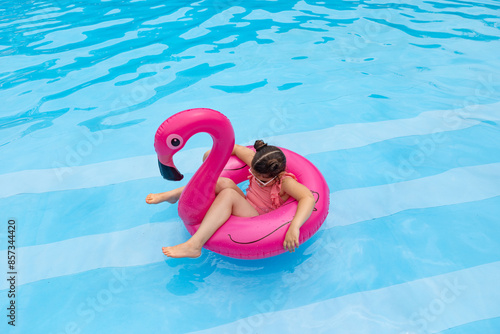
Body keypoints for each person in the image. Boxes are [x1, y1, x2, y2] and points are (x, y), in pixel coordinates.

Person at [146, 140, 316, 258]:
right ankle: (174, 195)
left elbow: (308, 197)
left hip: (258, 218)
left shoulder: (284, 182)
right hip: (247, 204)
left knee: (229, 194)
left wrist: (294, 227)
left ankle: (195, 245)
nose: (255, 178)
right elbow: (233, 148)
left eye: (261, 179)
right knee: (223, 182)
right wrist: (211, 156)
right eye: (253, 174)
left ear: (275, 174)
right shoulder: (257, 164)